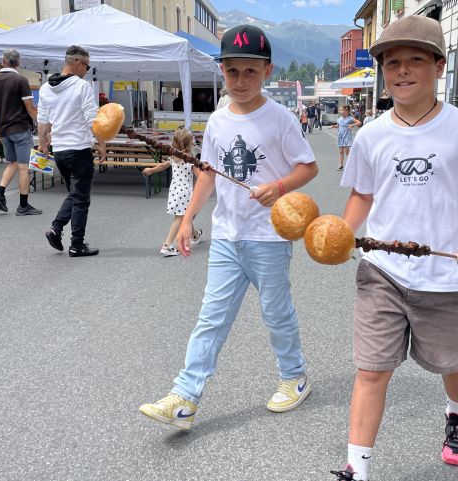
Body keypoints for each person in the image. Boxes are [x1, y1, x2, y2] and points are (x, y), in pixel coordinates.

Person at [330, 15, 458, 481]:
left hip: (447, 273)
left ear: (438, 66)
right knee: (371, 369)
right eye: (393, 63)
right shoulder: (371, 135)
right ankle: (357, 466)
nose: (403, 71)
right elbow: (363, 196)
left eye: (415, 60)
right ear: (383, 72)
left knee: (453, 363)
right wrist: (338, 233)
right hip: (382, 272)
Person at [139, 24, 319, 430]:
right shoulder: (218, 122)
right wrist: (188, 220)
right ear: (222, 71)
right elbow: (209, 174)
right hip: (227, 237)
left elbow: (309, 166)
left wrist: (278, 186)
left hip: (269, 237)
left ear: (267, 72)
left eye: (250, 72)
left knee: (276, 313)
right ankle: (185, 398)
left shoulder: (281, 119)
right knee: (211, 317)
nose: (240, 80)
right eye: (232, 71)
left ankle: (294, 377)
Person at [39, 45, 100, 257]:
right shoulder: (81, 87)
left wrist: (43, 145)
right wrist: (101, 142)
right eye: (87, 66)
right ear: (77, 63)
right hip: (79, 148)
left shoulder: (46, 88)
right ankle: (77, 244)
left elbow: (42, 122)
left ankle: (56, 229)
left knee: (74, 194)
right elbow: (93, 119)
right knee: (81, 199)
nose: (87, 70)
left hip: (60, 151)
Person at [0, 48, 41, 216]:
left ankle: (0, 193)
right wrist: (41, 124)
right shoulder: (20, 80)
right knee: (24, 168)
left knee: (13, 162)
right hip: (20, 128)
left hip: (4, 129)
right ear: (18, 63)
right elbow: (30, 107)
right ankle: (23, 206)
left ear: (2, 61)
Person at [141, 127, 204, 256]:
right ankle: (167, 245)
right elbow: (200, 177)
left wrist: (151, 170)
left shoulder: (173, 158)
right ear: (190, 144)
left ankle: (195, 235)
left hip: (175, 190)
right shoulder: (190, 161)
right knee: (180, 218)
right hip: (185, 192)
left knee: (186, 215)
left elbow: (162, 166)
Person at [332, 105, 361, 171]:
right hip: (340, 137)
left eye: (342, 110)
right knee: (341, 151)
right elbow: (338, 126)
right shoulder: (339, 119)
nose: (341, 111)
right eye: (340, 110)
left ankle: (352, 165)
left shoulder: (350, 118)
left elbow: (359, 122)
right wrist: (334, 126)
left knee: (347, 152)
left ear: (347, 111)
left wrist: (352, 125)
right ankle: (340, 165)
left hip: (347, 136)